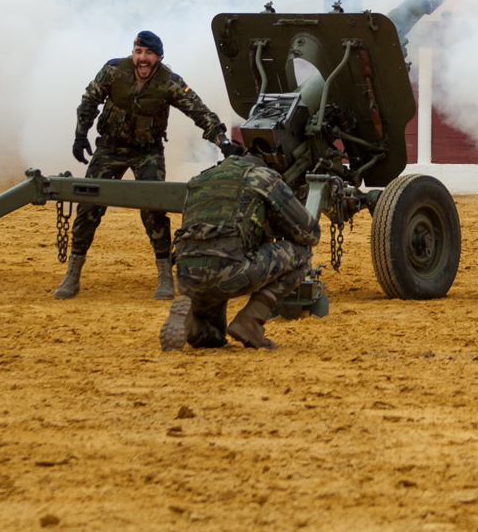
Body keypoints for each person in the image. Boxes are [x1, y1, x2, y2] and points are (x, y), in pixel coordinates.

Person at [57, 30, 227, 301]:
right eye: (138, 53)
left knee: (154, 210)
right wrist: (80, 135)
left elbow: (200, 112)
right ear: (133, 54)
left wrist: (223, 141)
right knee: (88, 207)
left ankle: (164, 276)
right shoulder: (113, 71)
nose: (143, 58)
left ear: (158, 57)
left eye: (149, 53)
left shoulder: (169, 83)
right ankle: (72, 275)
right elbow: (89, 100)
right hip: (110, 148)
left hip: (147, 152)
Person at [157, 135, 319, 352]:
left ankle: (191, 324)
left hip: (188, 277)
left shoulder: (199, 181)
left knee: (213, 335)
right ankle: (251, 321)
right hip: (230, 270)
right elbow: (310, 233)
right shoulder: (263, 177)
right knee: (302, 254)